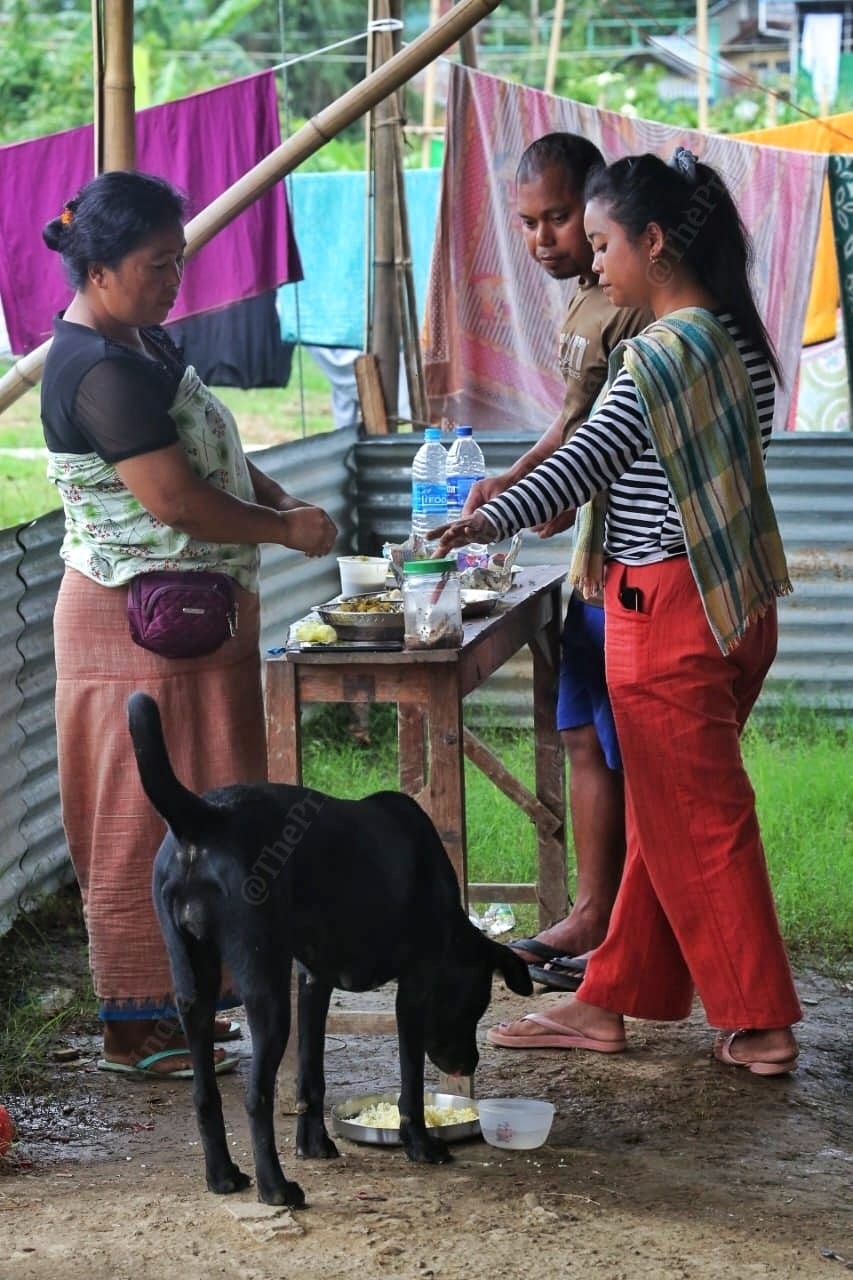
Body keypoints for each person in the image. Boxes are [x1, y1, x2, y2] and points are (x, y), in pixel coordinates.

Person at [431, 149, 801, 1075]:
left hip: (666, 611)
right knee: (671, 820)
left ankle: (759, 1019)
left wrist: (478, 521)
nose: (594, 265)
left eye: (601, 243)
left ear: (652, 241)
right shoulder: (737, 340)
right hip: (733, 603)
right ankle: (606, 999)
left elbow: (581, 463)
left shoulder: (659, 357)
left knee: (704, 823)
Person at [40, 171, 338, 1080]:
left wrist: (283, 500)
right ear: (96, 270)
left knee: (213, 818)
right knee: (141, 824)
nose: (175, 278)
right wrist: (284, 531)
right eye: (155, 264)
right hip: (129, 632)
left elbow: (220, 459)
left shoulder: (145, 341)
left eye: (179, 259)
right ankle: (136, 1022)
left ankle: (195, 1002)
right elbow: (174, 499)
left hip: (193, 635)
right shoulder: (93, 369)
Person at [463, 133, 650, 988]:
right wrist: (515, 475)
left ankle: (628, 928)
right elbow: (574, 421)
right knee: (577, 729)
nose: (543, 239)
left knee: (624, 743)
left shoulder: (634, 304)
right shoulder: (583, 300)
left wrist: (537, 492)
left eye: (561, 218)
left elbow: (610, 439)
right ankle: (590, 909)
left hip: (634, 555)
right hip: (588, 555)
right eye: (527, 222)